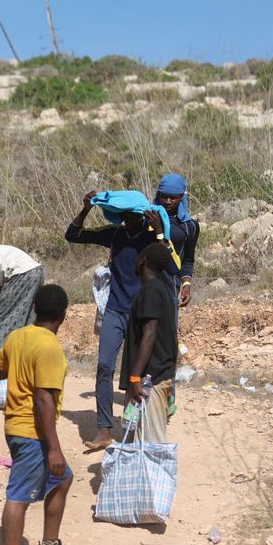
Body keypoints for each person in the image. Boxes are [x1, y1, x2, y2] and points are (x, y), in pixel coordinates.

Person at [0, 284, 92, 545]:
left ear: (34, 306)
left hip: (17, 429)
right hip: (32, 432)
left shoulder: (18, 336)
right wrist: (54, 450)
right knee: (18, 496)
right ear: (63, 315)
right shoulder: (49, 348)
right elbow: (43, 400)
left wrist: (17, 364)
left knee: (62, 479)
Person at [65, 190, 179, 452]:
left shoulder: (153, 238)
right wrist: (85, 209)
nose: (129, 220)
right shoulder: (115, 235)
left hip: (142, 314)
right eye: (124, 215)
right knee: (104, 366)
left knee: (135, 374)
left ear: (143, 216)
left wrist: (161, 233)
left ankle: (133, 431)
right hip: (115, 310)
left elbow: (172, 268)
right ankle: (104, 430)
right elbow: (72, 235)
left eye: (133, 216)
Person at [122, 243, 178, 443]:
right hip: (156, 375)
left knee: (151, 446)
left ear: (142, 261)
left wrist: (136, 378)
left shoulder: (152, 291)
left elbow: (150, 334)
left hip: (150, 379)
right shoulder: (162, 290)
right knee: (137, 442)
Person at [153, 173, 200, 309]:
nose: (168, 201)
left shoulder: (189, 226)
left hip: (171, 286)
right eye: (164, 196)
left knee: (166, 329)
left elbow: (187, 259)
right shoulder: (146, 220)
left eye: (173, 197)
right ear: (158, 195)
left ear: (182, 197)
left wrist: (186, 284)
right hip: (142, 285)